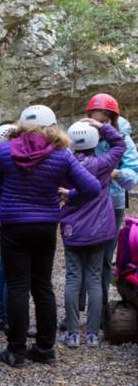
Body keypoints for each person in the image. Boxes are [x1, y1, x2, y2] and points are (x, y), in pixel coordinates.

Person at [0, 105, 100, 367]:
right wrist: (69, 196)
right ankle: (46, 348)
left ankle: (15, 351)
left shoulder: (5, 150)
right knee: (43, 286)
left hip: (14, 224)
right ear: (52, 126)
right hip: (45, 225)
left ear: (22, 124)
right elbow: (92, 188)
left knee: (17, 287)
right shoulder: (62, 154)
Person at [60, 118, 124, 348]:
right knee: (95, 278)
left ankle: (72, 334)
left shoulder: (64, 164)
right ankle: (92, 334)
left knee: (73, 278)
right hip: (100, 228)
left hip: (72, 229)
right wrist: (101, 126)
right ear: (94, 141)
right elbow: (120, 145)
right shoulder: (103, 164)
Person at [85, 94, 138, 321]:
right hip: (84, 201)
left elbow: (133, 176)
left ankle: (100, 313)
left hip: (112, 203)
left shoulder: (123, 138)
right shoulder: (82, 133)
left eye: (105, 121)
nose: (100, 124)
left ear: (113, 120)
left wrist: (113, 172)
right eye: (96, 119)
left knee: (105, 258)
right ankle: (74, 313)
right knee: (79, 257)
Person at [0, 122, 17, 333]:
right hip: (11, 220)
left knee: (4, 269)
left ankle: (3, 315)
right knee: (11, 272)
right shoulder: (11, 161)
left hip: (3, 219)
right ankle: (8, 316)